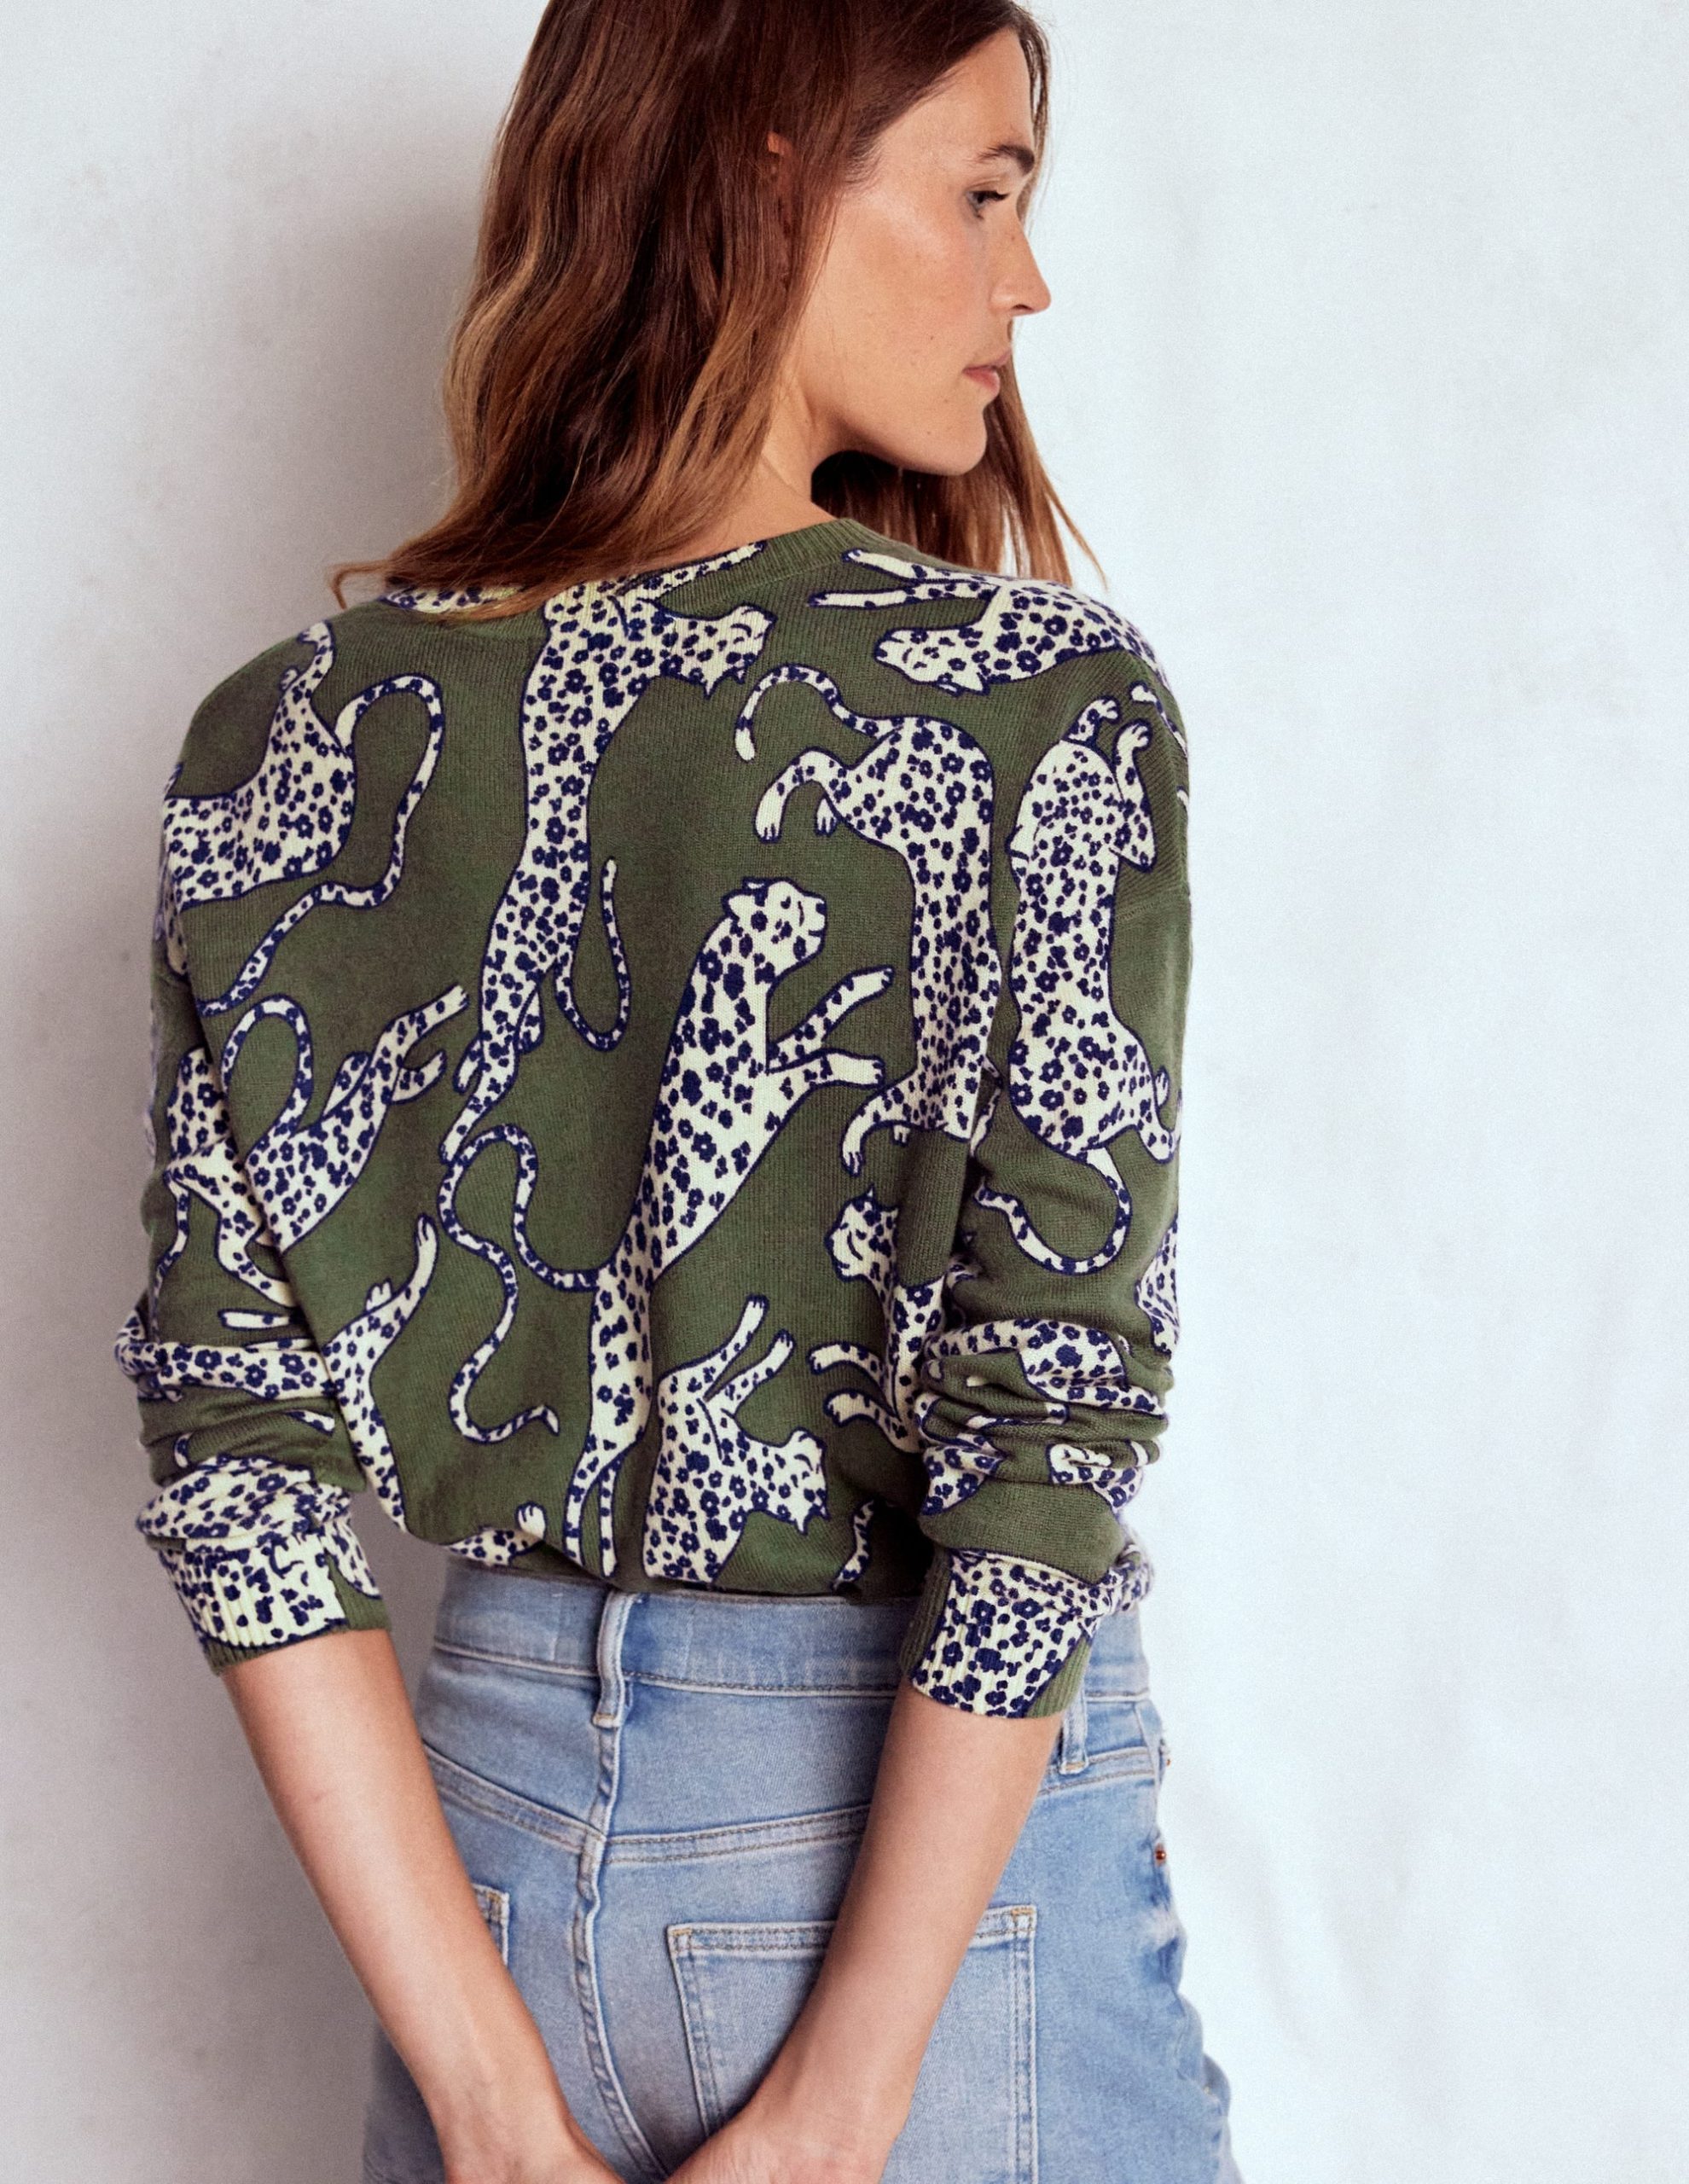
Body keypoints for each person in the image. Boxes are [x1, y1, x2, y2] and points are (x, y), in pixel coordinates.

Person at [115, 3, 1242, 2179]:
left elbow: (234, 1452)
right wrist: (837, 2104)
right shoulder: (1031, 705)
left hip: (483, 1869)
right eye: (982, 195)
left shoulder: (284, 738)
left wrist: (489, 2106)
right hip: (910, 1893)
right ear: (765, 175)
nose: (1025, 282)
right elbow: (1048, 1433)